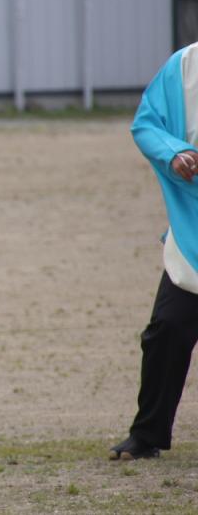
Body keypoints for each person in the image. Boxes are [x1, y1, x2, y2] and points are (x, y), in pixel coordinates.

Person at [110, 43, 198, 461]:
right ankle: (147, 434)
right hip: (193, 234)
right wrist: (173, 153)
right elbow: (147, 124)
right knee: (168, 330)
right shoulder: (186, 66)